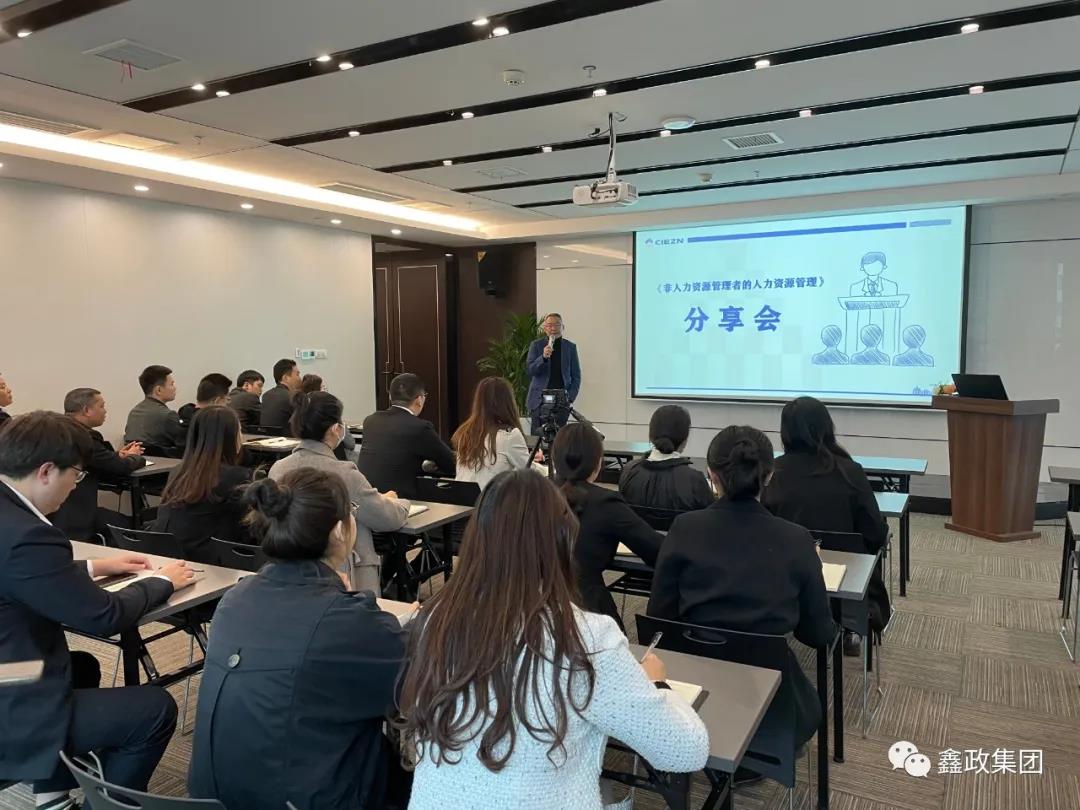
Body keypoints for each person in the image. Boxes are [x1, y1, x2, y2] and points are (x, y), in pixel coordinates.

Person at [398, 470, 709, 809]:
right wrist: (658, 683)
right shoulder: (587, 638)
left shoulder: (433, 620)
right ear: (563, 543)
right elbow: (686, 750)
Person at [0, 411, 193, 809]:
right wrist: (161, 582)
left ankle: (52, 798)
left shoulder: (11, 520)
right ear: (46, 471)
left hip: (9, 668)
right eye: (76, 474)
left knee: (82, 666)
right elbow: (103, 616)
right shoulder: (28, 535)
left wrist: (93, 566)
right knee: (154, 708)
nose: (76, 485)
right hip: (9, 689)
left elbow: (17, 573)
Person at [188, 470, 407, 810]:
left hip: (213, 794)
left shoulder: (236, 597)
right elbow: (415, 683)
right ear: (339, 530)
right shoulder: (344, 620)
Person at [647, 425, 836, 754]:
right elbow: (817, 633)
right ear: (769, 475)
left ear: (711, 475)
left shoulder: (684, 528)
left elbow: (659, 617)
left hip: (692, 687)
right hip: (773, 702)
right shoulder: (796, 540)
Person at [764, 396, 891, 656]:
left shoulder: (772, 474)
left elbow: (763, 528)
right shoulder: (850, 471)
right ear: (826, 427)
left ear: (785, 432)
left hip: (787, 580)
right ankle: (851, 626)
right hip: (847, 581)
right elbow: (875, 533)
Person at [271, 391, 409, 593]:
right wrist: (401, 503)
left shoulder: (278, 469)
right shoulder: (344, 473)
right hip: (344, 573)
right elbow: (387, 518)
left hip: (290, 571)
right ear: (335, 428)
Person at [553, 423, 662, 630]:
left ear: (555, 458)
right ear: (598, 463)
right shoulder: (605, 503)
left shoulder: (530, 495)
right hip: (588, 615)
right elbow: (655, 549)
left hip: (529, 607)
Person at [152, 407, 253, 566]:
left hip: (170, 558)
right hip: (214, 566)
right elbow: (249, 530)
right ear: (230, 437)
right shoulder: (237, 477)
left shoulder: (178, 472)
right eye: (239, 431)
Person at [50, 388, 146, 541]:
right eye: (101, 406)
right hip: (77, 515)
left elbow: (98, 459)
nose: (105, 411)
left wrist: (117, 455)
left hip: (54, 512)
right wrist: (135, 457)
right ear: (87, 410)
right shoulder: (84, 436)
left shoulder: (56, 429)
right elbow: (121, 467)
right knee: (128, 524)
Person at [357, 373, 455, 499]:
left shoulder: (370, 421)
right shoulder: (420, 427)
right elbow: (449, 464)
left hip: (366, 496)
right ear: (419, 400)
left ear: (390, 396)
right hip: (400, 499)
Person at [619, 404, 713, 512]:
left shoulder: (629, 472)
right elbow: (710, 516)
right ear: (685, 439)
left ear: (650, 435)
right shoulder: (695, 481)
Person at [452, 376, 539, 492]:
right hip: (491, 501)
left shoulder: (465, 432)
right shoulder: (509, 435)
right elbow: (531, 474)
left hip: (462, 501)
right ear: (508, 402)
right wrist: (549, 469)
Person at [525, 313, 582, 435]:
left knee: (560, 438)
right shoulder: (536, 345)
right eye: (549, 325)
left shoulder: (570, 347)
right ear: (545, 328)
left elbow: (576, 376)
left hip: (561, 401)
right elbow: (530, 370)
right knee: (537, 437)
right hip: (539, 401)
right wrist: (543, 358)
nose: (553, 328)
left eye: (557, 324)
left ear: (563, 327)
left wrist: (569, 398)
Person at [124, 364, 185, 454]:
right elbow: (186, 444)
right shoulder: (168, 415)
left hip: (136, 460)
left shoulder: (133, 412)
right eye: (171, 384)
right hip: (164, 461)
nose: (175, 388)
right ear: (158, 390)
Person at [260, 358, 302, 431]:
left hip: (266, 436)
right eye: (297, 374)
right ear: (286, 378)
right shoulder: (293, 397)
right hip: (287, 437)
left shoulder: (266, 395)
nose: (300, 379)